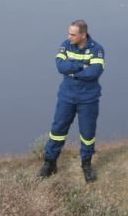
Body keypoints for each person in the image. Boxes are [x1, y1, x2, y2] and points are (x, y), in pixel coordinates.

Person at [38, 19, 105, 182]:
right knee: (57, 130)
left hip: (88, 99)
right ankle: (50, 163)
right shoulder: (66, 45)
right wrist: (82, 67)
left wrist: (73, 71)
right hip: (66, 97)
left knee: (87, 133)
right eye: (69, 33)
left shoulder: (97, 49)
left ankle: (86, 165)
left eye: (73, 34)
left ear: (83, 35)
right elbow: (60, 66)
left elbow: (94, 72)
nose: (69, 37)